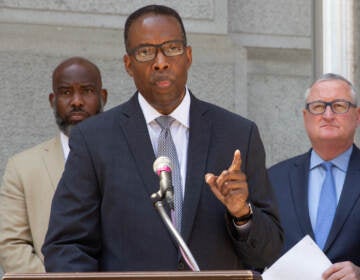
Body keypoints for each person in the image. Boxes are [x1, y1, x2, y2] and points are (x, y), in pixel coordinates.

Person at [42, 5, 283, 272]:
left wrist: (242, 214)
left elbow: (269, 254)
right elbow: (67, 245)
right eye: (146, 52)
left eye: (172, 48)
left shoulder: (238, 134)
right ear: (128, 64)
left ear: (188, 56)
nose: (160, 62)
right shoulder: (95, 139)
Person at [0, 57, 108, 272]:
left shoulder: (127, 156)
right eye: (66, 92)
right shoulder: (22, 168)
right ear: (52, 100)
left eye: (86, 91)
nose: (76, 101)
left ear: (102, 96)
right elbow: (11, 244)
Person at [268, 73, 360, 280]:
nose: (328, 115)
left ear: (357, 116)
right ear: (305, 116)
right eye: (318, 107)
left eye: (339, 106)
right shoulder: (275, 179)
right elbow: (257, 251)